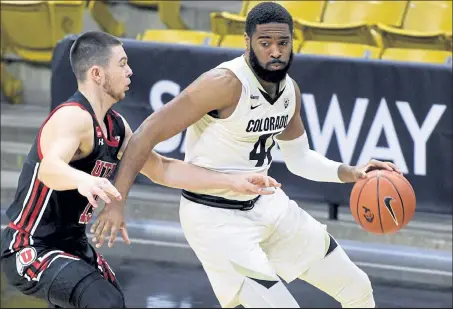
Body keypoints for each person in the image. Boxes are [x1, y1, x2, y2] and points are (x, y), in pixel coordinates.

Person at [91, 3, 402, 308]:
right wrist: (117, 201)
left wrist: (351, 172)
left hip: (267, 205)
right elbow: (147, 133)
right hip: (215, 218)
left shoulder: (290, 90)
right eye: (265, 43)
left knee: (359, 290)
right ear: (248, 42)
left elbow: (299, 158)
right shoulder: (224, 84)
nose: (276, 51)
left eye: (283, 42)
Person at [0, 31, 280, 308]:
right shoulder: (73, 117)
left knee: (113, 300)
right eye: (122, 64)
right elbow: (49, 167)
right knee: (102, 301)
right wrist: (83, 180)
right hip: (30, 245)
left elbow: (162, 168)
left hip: (72, 244)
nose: (130, 71)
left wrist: (232, 182)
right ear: (97, 74)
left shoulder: (116, 126)